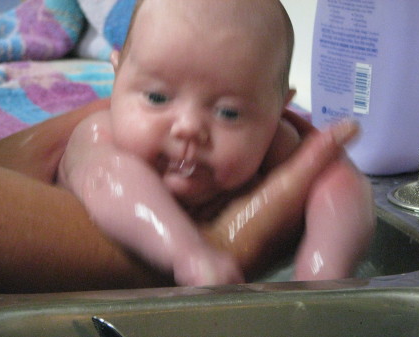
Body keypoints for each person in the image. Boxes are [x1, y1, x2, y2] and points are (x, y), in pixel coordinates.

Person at [56, 0, 375, 287]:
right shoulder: (99, 135)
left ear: (278, 111)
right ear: (117, 77)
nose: (189, 128)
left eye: (229, 112)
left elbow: (340, 180)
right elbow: (110, 177)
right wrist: (187, 252)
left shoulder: (276, 142)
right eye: (157, 97)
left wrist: (323, 269)